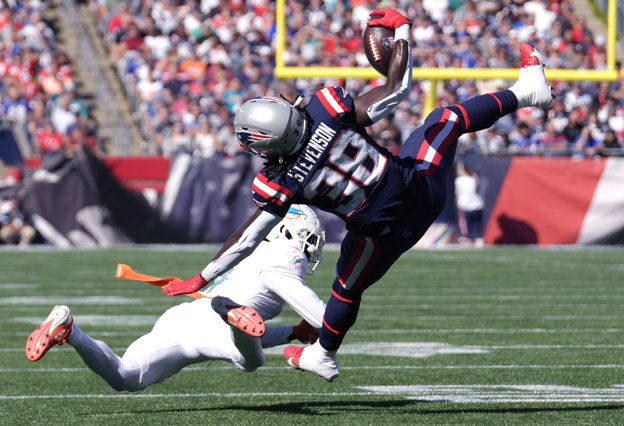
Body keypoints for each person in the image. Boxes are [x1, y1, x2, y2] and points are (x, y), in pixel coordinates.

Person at [162, 8, 555, 381]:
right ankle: (525, 93)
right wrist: (401, 32)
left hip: (379, 236)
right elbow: (396, 89)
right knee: (446, 119)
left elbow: (245, 239)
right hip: (419, 191)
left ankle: (323, 355)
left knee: (346, 289)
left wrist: (202, 277)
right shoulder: (326, 108)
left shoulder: (278, 180)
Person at [25, 205, 327, 392]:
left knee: (127, 377)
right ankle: (233, 318)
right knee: (249, 360)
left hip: (186, 316)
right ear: (294, 233)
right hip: (216, 323)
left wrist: (294, 333)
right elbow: (325, 319)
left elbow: (256, 330)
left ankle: (69, 330)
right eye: (310, 240)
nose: (311, 248)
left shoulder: (251, 250)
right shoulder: (285, 263)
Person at [454, 162, 485, 247]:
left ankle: (466, 241)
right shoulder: (474, 179)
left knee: (465, 231)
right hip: (478, 205)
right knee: (477, 229)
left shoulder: (459, 180)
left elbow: (458, 195)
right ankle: (479, 241)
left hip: (465, 206)